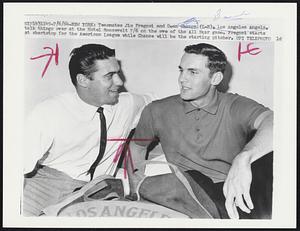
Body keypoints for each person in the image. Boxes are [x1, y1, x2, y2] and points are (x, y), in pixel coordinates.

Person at [130, 43, 273, 219]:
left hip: (230, 191)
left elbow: (275, 122)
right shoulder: (156, 110)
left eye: (193, 72)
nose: (182, 79)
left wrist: (244, 157)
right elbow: (137, 146)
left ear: (215, 79)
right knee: (177, 183)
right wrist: (135, 183)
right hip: (185, 188)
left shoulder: (235, 105)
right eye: (181, 70)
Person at [23, 44, 152, 216]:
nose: (120, 82)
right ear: (83, 80)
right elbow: (14, 167)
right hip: (46, 187)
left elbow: (161, 103)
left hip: (98, 190)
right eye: (109, 76)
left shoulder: (127, 104)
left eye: (118, 73)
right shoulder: (48, 112)